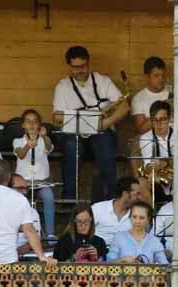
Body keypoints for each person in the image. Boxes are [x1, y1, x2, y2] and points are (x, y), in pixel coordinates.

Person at [51, 46, 126, 203]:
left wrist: (105, 123)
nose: (80, 70)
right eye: (75, 67)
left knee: (105, 146)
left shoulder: (103, 81)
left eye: (83, 66)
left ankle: (110, 201)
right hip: (75, 134)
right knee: (72, 147)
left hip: (102, 132)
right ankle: (69, 201)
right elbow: (57, 116)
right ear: (69, 66)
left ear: (89, 63)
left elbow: (124, 106)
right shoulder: (63, 87)